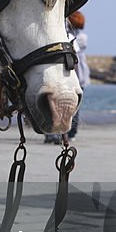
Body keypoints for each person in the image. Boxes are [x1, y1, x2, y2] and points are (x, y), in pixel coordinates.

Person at [45, 11, 89, 143]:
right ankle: (60, 133)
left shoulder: (78, 38)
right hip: (75, 73)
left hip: (75, 73)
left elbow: (71, 47)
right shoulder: (79, 36)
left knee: (72, 105)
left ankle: (68, 132)